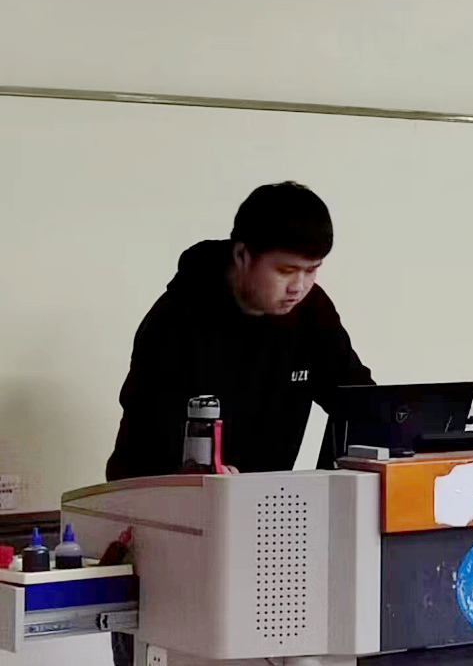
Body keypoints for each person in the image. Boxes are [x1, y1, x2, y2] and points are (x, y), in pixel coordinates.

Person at [106, 182, 373, 666]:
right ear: (244, 255)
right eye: (286, 270)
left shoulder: (311, 312)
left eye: (312, 270)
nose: (299, 286)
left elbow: (358, 401)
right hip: (164, 533)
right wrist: (195, 481)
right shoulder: (174, 323)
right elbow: (145, 452)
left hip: (263, 526)